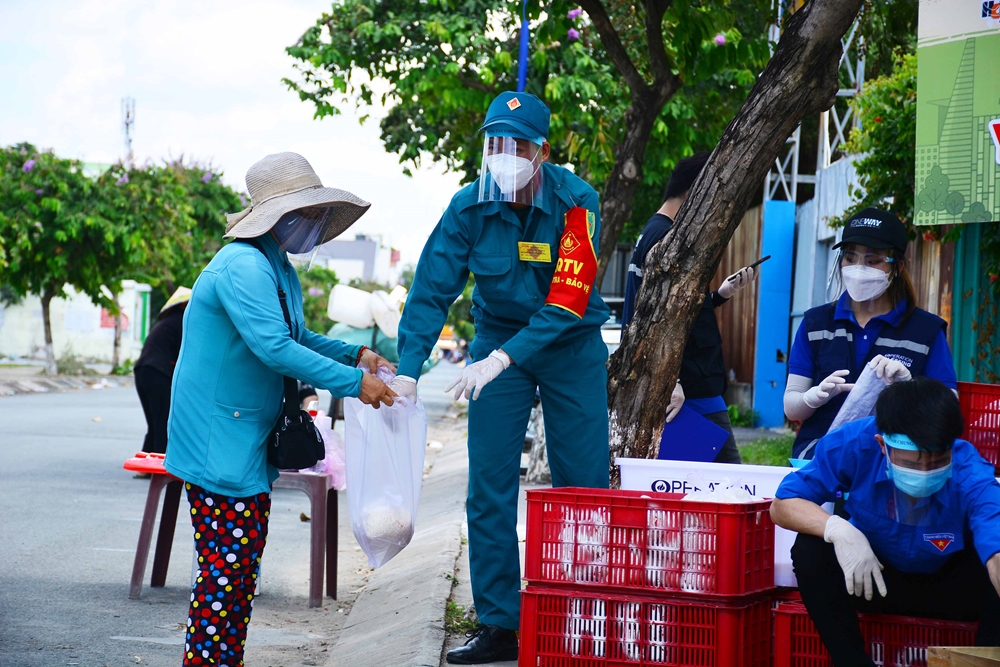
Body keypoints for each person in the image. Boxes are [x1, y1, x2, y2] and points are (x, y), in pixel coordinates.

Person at [388, 91, 610, 664]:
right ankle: (498, 623)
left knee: (582, 484)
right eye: (494, 144)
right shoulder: (468, 206)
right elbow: (430, 290)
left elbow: (567, 301)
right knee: (488, 485)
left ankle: (580, 616)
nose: (503, 156)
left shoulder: (578, 202)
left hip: (569, 342)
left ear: (542, 152)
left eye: (516, 146)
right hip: (495, 336)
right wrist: (408, 372)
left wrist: (504, 359)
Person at [164, 152, 397, 667]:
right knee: (225, 572)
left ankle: (225, 660)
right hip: (217, 438)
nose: (314, 226)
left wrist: (356, 354)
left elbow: (297, 335)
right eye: (307, 215)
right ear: (282, 216)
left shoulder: (275, 265)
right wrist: (354, 384)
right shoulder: (243, 266)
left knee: (241, 568)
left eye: (317, 216)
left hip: (244, 433)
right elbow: (274, 348)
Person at [770, 377, 1000, 666]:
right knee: (810, 550)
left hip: (950, 588)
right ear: (882, 445)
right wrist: (838, 529)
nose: (924, 472)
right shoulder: (854, 443)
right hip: (871, 579)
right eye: (912, 463)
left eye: (936, 461)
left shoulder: (970, 469)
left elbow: (995, 542)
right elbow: (782, 504)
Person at [784, 207, 957, 459]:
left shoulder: (925, 330)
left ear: (897, 267)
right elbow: (792, 408)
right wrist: (812, 398)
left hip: (893, 461)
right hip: (819, 459)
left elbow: (949, 412)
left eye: (873, 261)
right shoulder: (816, 324)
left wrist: (911, 389)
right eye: (850, 258)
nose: (858, 269)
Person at [621, 152, 758, 463]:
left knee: (696, 483)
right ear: (693, 192)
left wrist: (720, 294)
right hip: (688, 392)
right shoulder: (665, 237)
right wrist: (672, 382)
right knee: (727, 480)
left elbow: (677, 311)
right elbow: (656, 320)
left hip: (692, 386)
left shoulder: (655, 231)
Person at [134, 287, 190, 457]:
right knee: (163, 424)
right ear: (184, 305)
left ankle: (144, 463)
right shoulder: (182, 322)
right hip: (158, 373)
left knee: (154, 423)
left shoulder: (167, 322)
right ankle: (159, 464)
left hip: (143, 371)